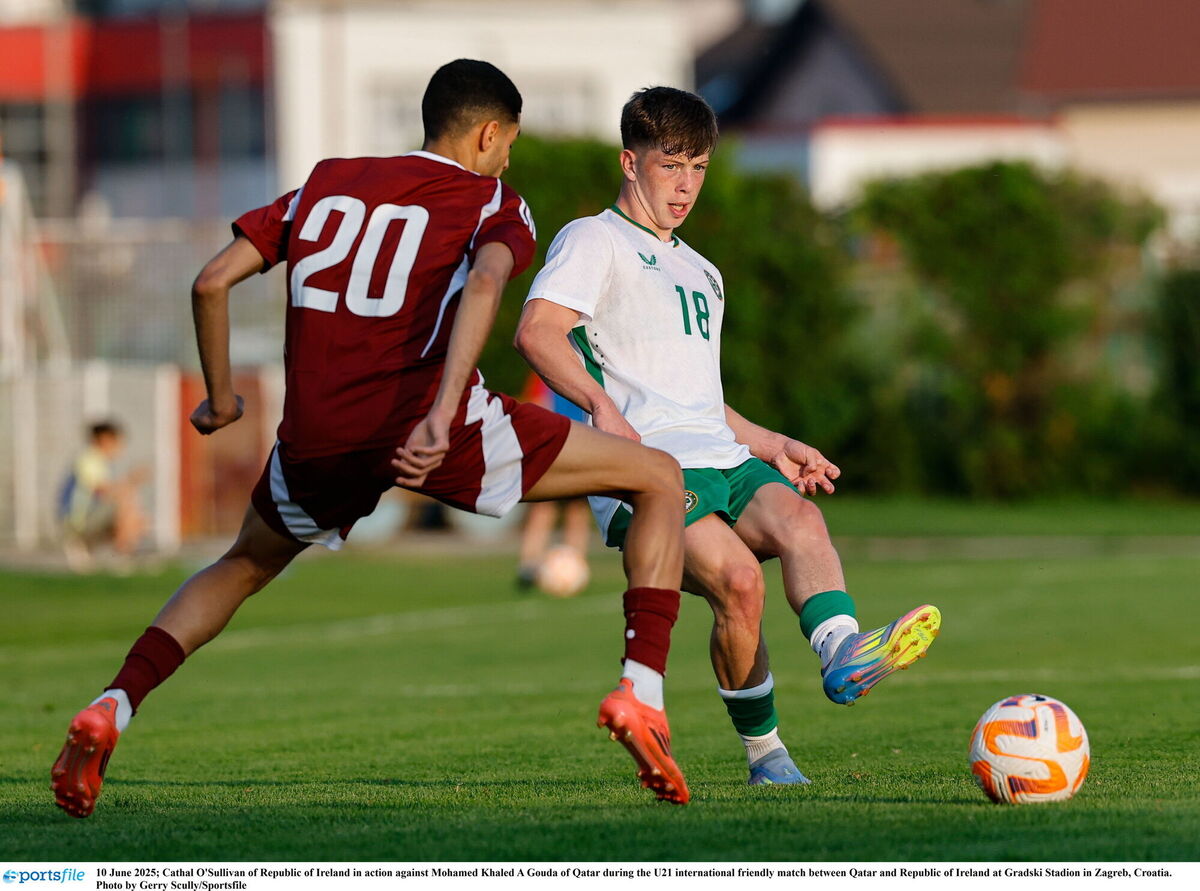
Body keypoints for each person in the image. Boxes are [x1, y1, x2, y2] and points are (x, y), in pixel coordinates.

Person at [50, 60, 691, 820]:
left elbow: (212, 281)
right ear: (489, 135)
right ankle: (642, 694)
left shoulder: (326, 182)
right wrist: (442, 407)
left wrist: (222, 399)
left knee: (244, 563)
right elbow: (485, 287)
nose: (509, 158)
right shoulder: (492, 200)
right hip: (431, 420)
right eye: (510, 143)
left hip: (314, 435)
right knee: (655, 475)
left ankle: (113, 704)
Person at [514, 86, 941, 787]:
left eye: (699, 168)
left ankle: (844, 654)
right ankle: (766, 755)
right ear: (630, 161)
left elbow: (701, 400)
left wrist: (773, 443)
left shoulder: (703, 272)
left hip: (720, 452)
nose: (685, 186)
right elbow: (536, 331)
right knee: (739, 584)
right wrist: (598, 404)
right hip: (645, 468)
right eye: (670, 165)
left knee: (802, 519)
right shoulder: (594, 240)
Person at [515, 372, 592, 593]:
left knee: (574, 510)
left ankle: (573, 564)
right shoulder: (544, 369)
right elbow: (537, 403)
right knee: (547, 507)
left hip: (580, 445)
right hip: (558, 444)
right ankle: (529, 566)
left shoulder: (585, 367)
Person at [59, 420, 148, 570]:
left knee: (135, 513)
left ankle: (100, 550)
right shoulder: (88, 459)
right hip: (78, 520)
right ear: (105, 440)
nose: (120, 448)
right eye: (118, 443)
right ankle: (121, 556)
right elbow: (101, 490)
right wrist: (131, 481)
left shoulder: (98, 462)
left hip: (88, 516)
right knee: (126, 503)